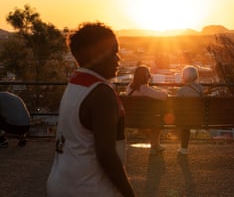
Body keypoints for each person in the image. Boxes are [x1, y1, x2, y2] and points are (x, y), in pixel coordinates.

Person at [47, 22, 136, 197]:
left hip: (61, 182)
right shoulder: (101, 93)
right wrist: (129, 193)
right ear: (96, 54)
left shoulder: (75, 84)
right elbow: (106, 154)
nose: (118, 59)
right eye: (113, 52)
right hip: (90, 188)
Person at [126, 65, 167, 155]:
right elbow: (163, 96)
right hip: (145, 119)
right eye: (148, 75)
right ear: (145, 76)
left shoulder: (129, 87)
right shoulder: (144, 88)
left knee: (153, 120)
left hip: (132, 119)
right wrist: (163, 91)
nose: (150, 76)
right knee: (158, 120)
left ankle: (156, 146)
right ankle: (155, 146)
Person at [176, 65, 203, 155]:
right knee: (186, 120)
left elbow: (177, 105)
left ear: (184, 76)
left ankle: (183, 148)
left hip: (184, 119)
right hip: (198, 118)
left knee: (185, 124)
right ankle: (183, 148)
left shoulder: (181, 90)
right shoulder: (200, 89)